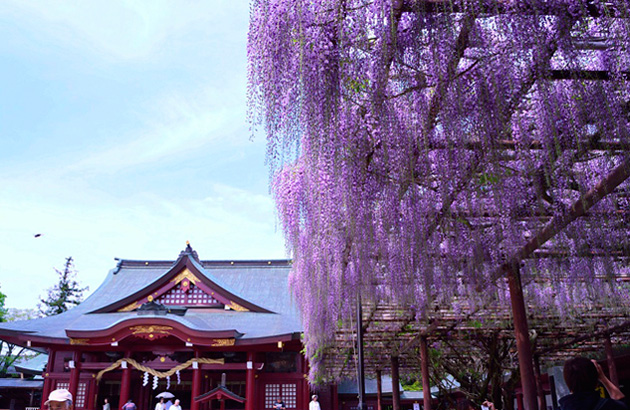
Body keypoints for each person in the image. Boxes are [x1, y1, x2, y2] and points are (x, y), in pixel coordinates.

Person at [559, 357, 627, 410]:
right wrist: (603, 378)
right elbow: (622, 403)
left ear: (567, 382)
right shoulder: (611, 406)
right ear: (596, 381)